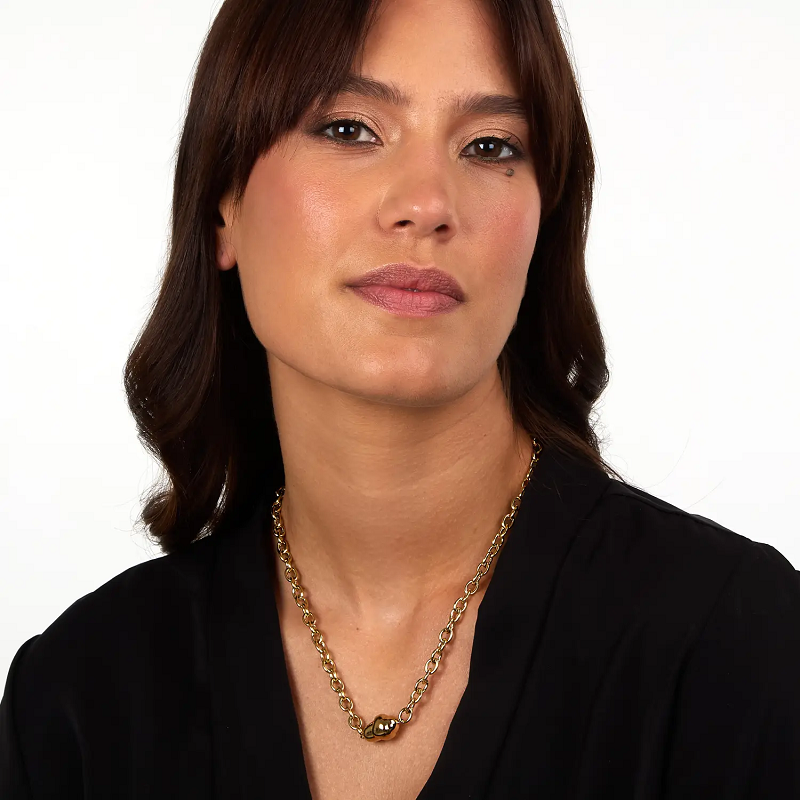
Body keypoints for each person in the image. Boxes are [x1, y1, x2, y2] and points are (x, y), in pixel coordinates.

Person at [2, 0, 799, 797]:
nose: (427, 203)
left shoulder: (738, 649)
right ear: (223, 204)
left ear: (544, 221)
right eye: (350, 129)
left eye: (490, 145)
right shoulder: (79, 701)